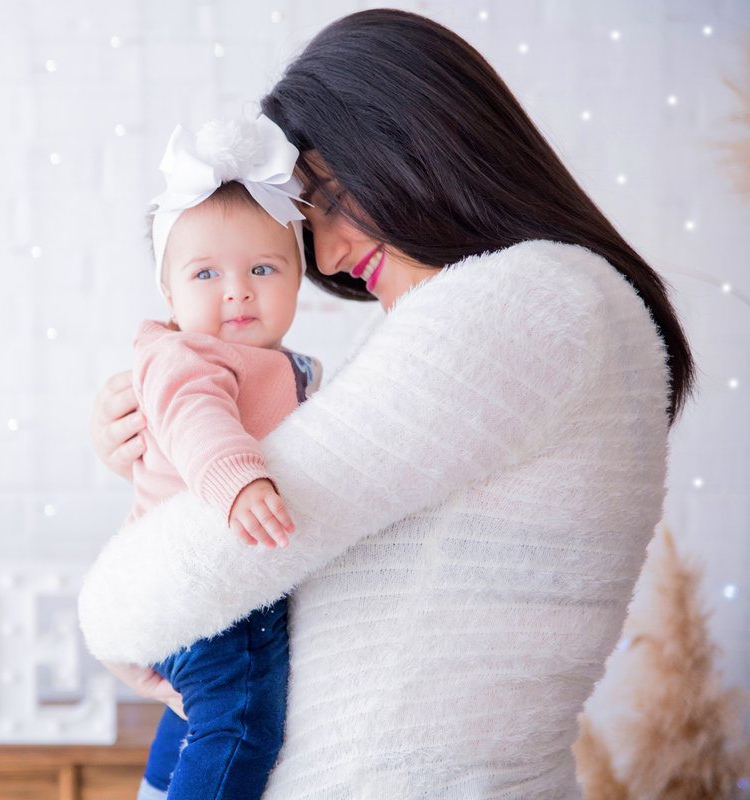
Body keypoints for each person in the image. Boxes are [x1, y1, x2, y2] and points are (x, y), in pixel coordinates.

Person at [79, 9, 693, 798]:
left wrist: (107, 621)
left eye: (331, 198)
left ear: (419, 143)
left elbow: (227, 550)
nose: (326, 254)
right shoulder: (563, 304)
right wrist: (157, 436)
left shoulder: (524, 302)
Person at [118, 115, 322, 800]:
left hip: (199, 586)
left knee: (197, 713)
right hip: (206, 585)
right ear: (170, 296)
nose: (237, 290)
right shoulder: (184, 358)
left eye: (263, 268)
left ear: (298, 279)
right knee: (239, 723)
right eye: (206, 273)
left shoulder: (285, 366)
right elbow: (196, 420)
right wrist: (240, 484)